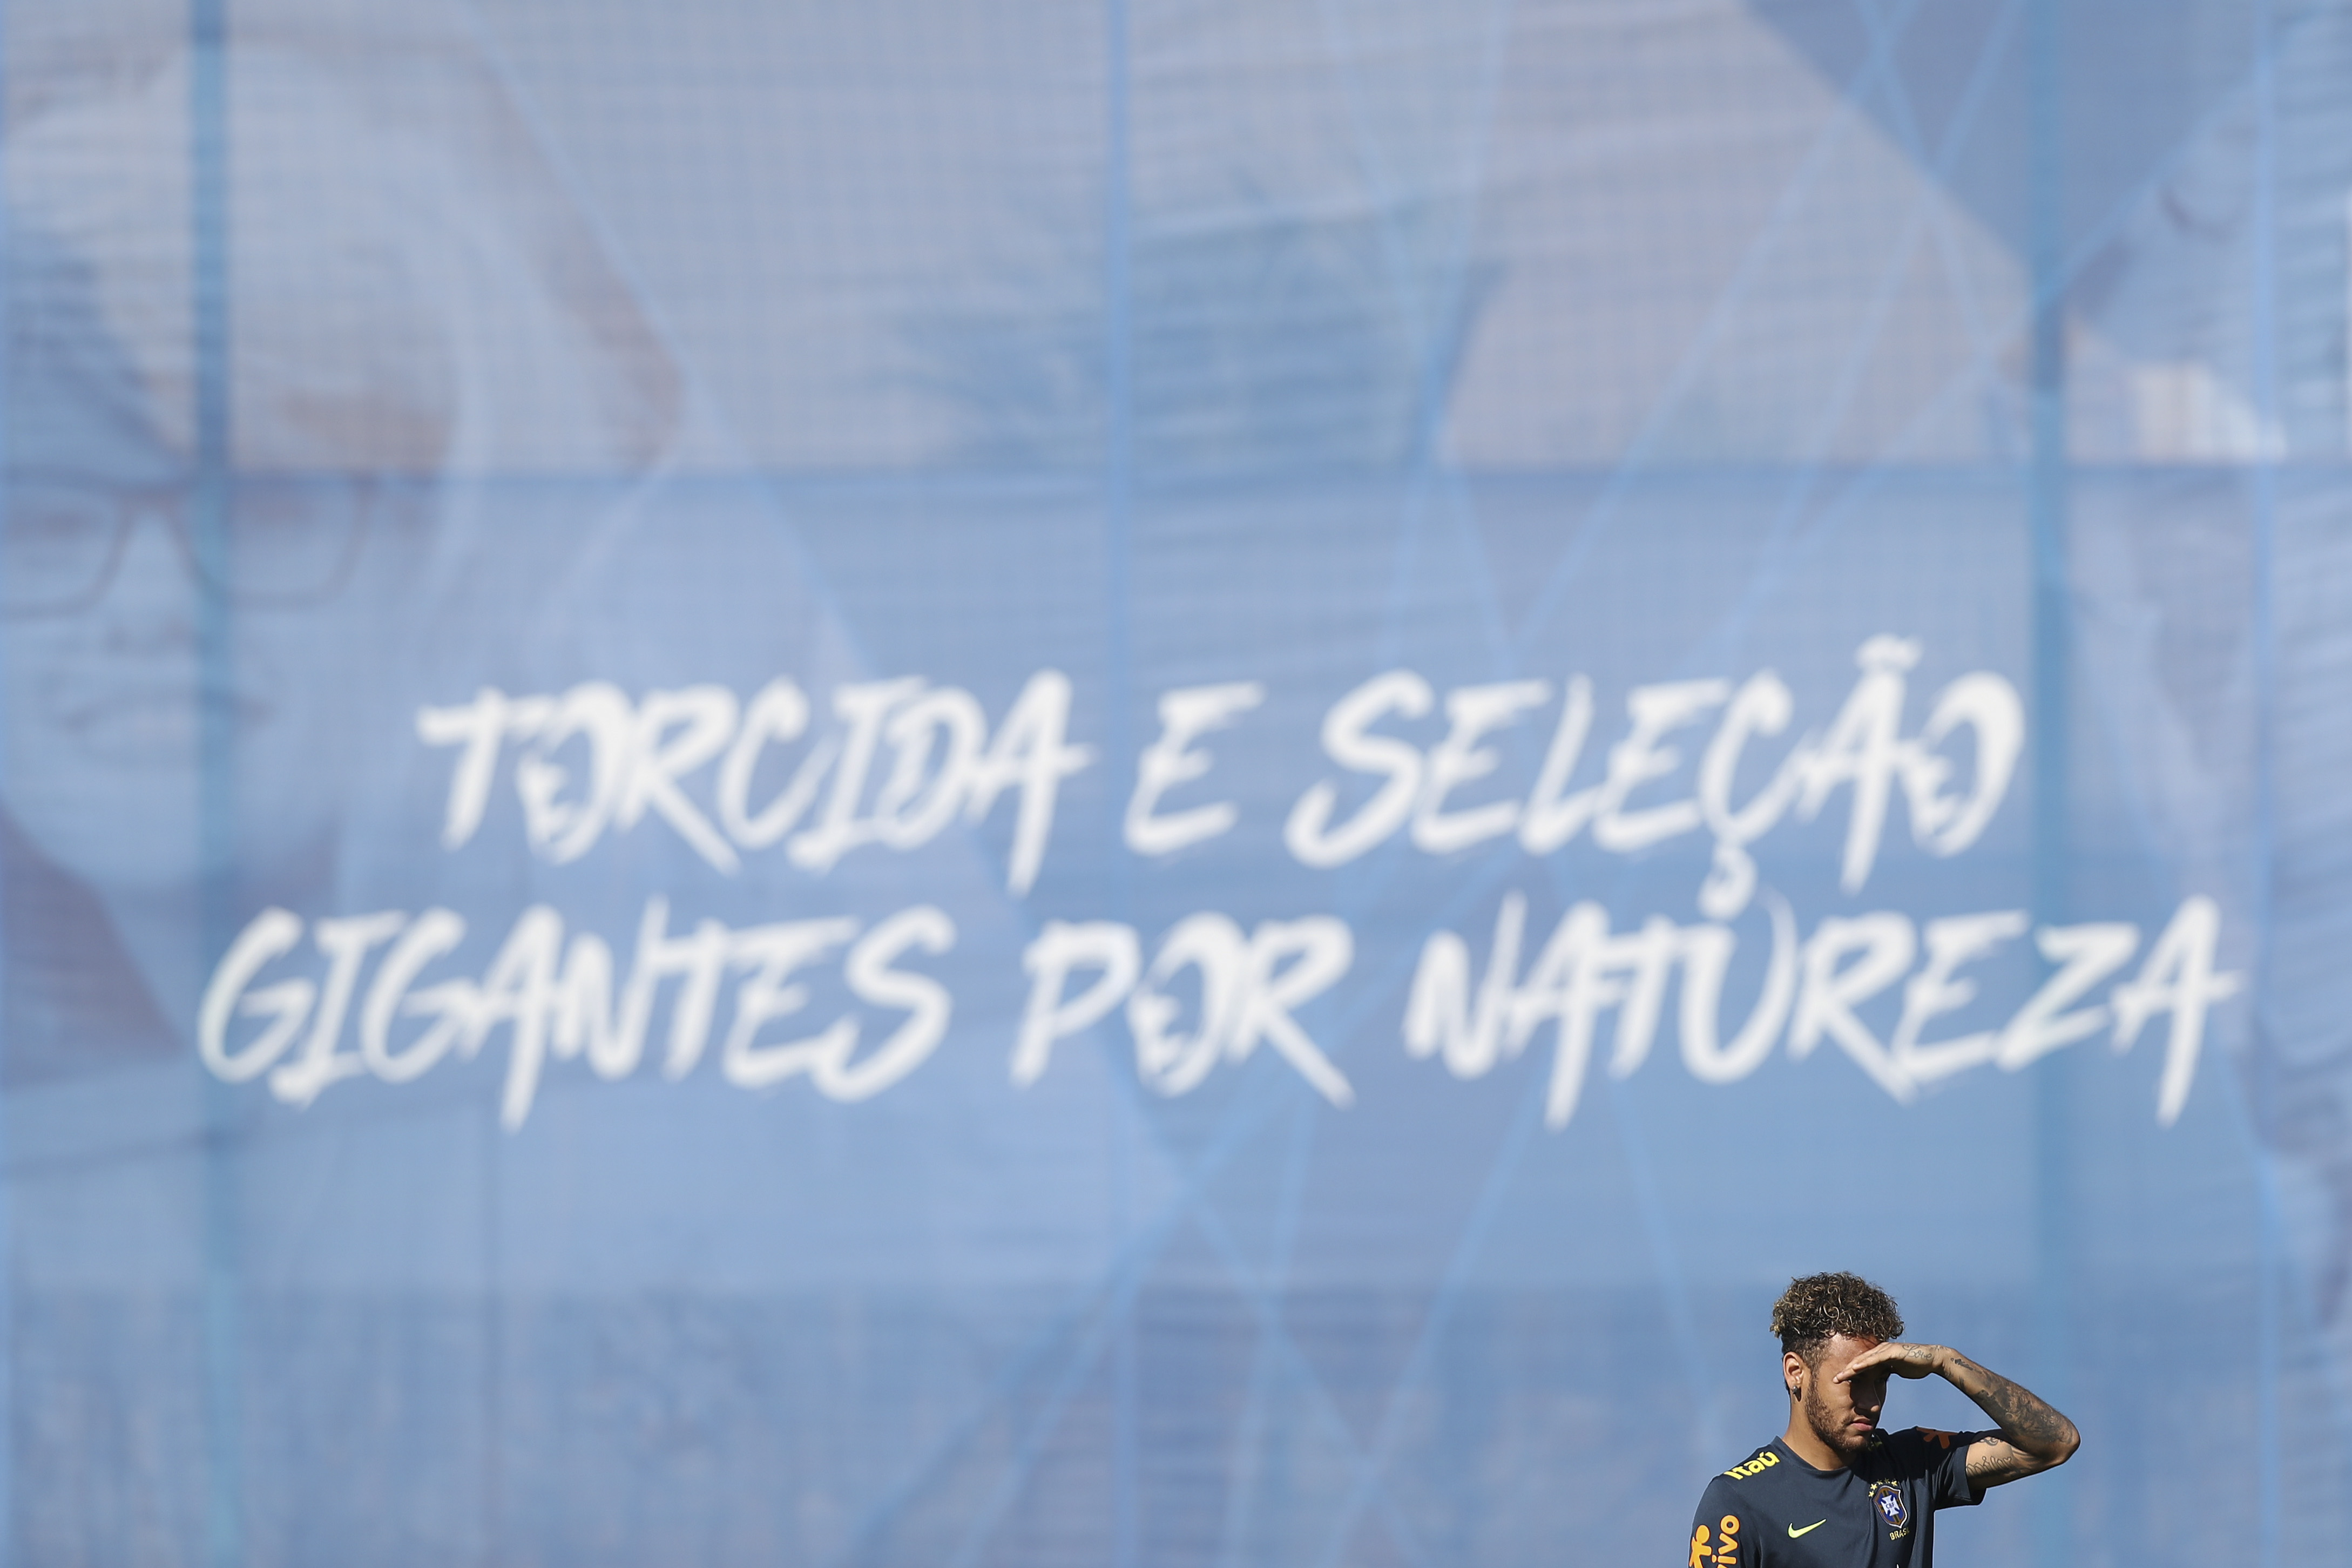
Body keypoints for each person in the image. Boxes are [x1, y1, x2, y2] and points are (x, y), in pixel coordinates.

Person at [1686, 1272, 2079, 1567]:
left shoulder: (1913, 1463)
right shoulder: (1736, 1503)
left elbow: (2055, 1444)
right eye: (1856, 1381)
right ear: (1795, 1372)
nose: (1873, 1403)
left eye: (1882, 1381)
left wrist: (1945, 1361)